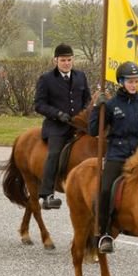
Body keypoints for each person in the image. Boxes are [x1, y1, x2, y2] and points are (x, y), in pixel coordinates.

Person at [89, 61, 138, 253]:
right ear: (121, 81)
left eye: (136, 81)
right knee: (105, 190)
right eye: (130, 81)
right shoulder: (111, 104)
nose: (134, 85)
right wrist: (98, 107)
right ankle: (104, 233)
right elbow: (93, 130)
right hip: (117, 154)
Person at [34, 43, 91, 209]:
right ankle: (47, 195)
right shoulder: (46, 79)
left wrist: (85, 114)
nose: (66, 63)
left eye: (69, 60)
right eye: (63, 60)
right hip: (56, 126)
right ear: (55, 61)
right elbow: (39, 104)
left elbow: (86, 99)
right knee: (54, 153)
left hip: (79, 125)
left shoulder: (81, 76)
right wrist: (58, 114)